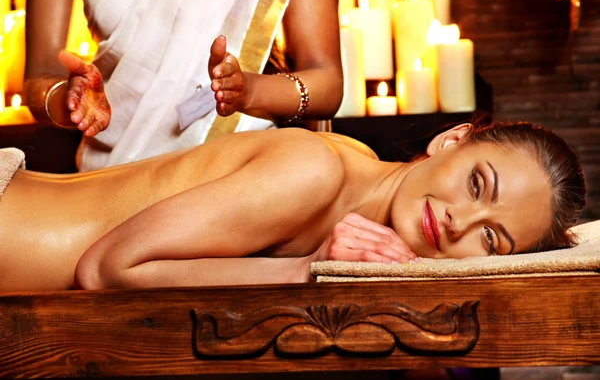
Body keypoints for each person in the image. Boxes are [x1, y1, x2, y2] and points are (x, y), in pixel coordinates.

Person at [0, 119, 586, 292]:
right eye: (478, 185)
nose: (462, 220)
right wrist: (314, 268)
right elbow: (106, 268)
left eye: (491, 240)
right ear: (451, 141)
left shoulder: (356, 173)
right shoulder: (318, 170)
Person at [25, 0, 343, 171]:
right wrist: (65, 98)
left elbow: (327, 83)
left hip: (240, 164)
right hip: (117, 171)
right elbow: (39, 74)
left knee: (315, 170)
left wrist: (248, 91)